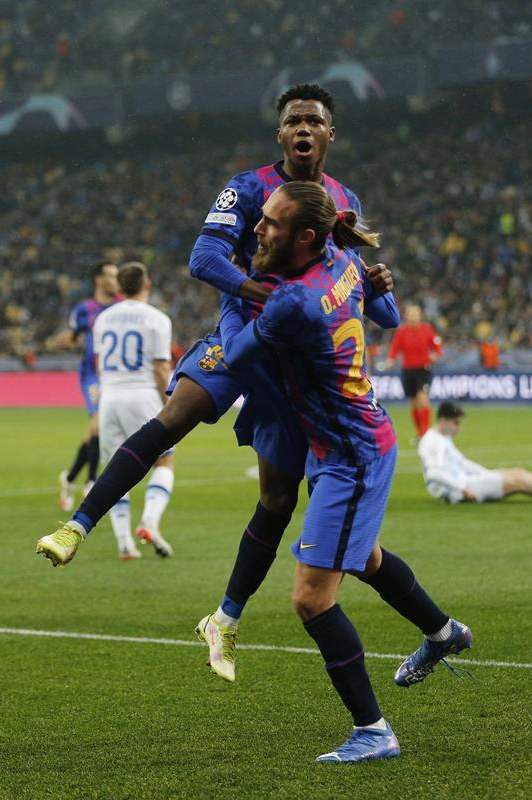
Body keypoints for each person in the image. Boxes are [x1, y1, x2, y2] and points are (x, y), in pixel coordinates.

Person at [36, 84, 400, 684]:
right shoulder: (247, 186)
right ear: (280, 134)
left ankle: (226, 619)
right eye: (293, 121)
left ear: (330, 136)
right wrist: (258, 294)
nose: (303, 128)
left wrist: (376, 286)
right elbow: (204, 258)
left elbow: (350, 287)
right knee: (176, 414)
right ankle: (77, 524)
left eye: (314, 120)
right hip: (241, 341)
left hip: (297, 366)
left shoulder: (342, 200)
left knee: (278, 500)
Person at [219, 181, 472, 763]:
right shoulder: (341, 259)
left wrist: (230, 293)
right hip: (354, 441)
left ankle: (373, 731)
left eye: (271, 224)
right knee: (366, 557)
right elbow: (379, 307)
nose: (258, 228)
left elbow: (235, 355)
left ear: (305, 236)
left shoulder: (292, 303)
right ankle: (444, 633)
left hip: (350, 455)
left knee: (311, 598)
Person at [90, 262, 176, 560]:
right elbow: (161, 368)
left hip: (110, 397)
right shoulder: (157, 319)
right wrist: (172, 403)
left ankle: (124, 543)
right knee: (164, 462)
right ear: (147, 284)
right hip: (143, 396)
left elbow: (99, 364)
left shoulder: (103, 319)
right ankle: (150, 521)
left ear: (120, 287)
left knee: (116, 470)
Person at [419, 402, 532, 504]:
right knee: (518, 478)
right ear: (443, 421)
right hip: (458, 492)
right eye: (456, 423)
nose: (459, 428)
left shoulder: (443, 438)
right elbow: (435, 473)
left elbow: (463, 462)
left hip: (466, 484)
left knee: (517, 475)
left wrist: (486, 474)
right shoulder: (432, 441)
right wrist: (463, 489)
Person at [57, 262, 120, 511]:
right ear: (98, 279)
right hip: (92, 375)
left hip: (114, 375)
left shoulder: (120, 307)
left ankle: (70, 478)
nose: (115, 280)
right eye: (110, 276)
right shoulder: (85, 309)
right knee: (97, 426)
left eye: (117, 276)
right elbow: (71, 337)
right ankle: (92, 482)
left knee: (94, 430)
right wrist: (64, 341)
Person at [387, 303, 442, 438]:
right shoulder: (401, 332)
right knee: (414, 404)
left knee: (423, 399)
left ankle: (425, 433)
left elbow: (437, 347)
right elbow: (395, 348)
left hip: (423, 369)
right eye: (410, 314)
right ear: (406, 316)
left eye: (415, 314)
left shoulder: (427, 329)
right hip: (407, 370)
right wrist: (391, 359)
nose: (413, 317)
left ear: (420, 316)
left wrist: (435, 354)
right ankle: (420, 433)